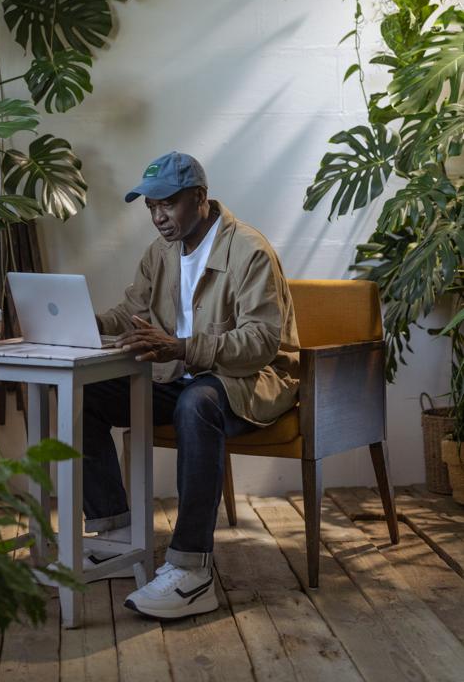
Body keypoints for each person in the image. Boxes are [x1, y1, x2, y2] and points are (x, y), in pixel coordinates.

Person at [85, 151, 300, 619]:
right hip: (178, 376)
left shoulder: (249, 250)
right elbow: (130, 315)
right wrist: (80, 322)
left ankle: (191, 570)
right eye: (150, 207)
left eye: (168, 204)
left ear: (200, 198)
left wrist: (181, 348)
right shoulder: (160, 253)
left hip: (246, 381)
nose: (158, 216)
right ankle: (118, 535)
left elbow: (262, 342)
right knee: (85, 395)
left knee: (196, 402)